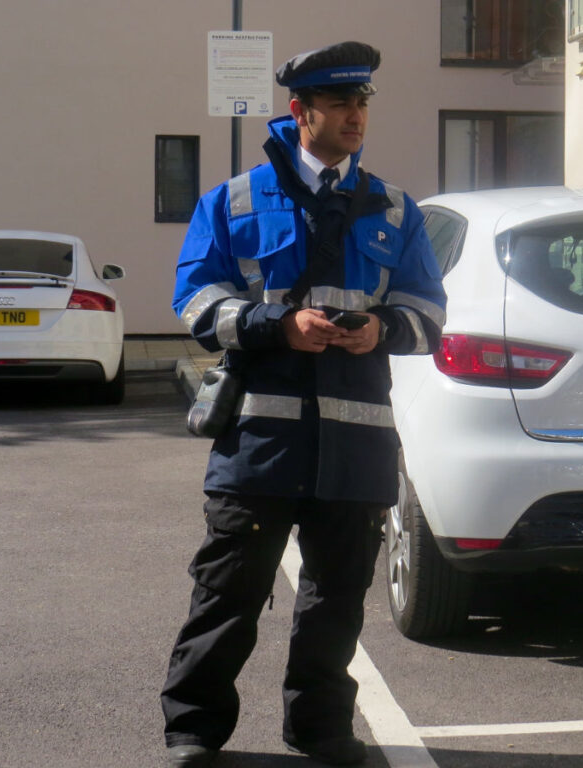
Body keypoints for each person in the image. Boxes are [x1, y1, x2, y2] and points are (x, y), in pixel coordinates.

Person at [160, 41, 446, 768]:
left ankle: (319, 729)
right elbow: (195, 300)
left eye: (364, 103)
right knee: (226, 594)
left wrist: (384, 328)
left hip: (356, 448)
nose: (357, 116)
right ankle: (193, 731)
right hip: (259, 441)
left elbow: (429, 315)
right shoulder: (233, 201)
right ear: (301, 111)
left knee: (336, 601)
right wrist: (276, 326)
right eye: (342, 103)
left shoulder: (395, 208)